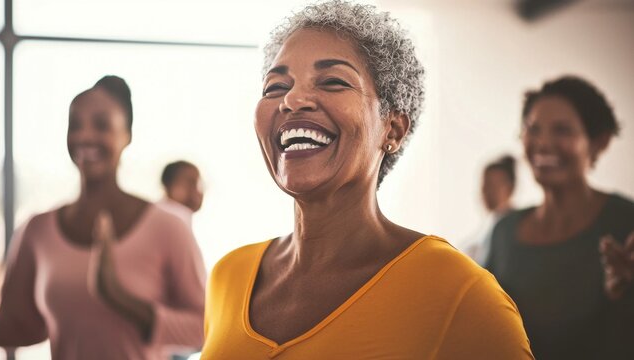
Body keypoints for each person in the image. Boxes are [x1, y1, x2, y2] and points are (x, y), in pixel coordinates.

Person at [200, 1, 533, 358]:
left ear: (393, 129)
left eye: (332, 81)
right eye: (275, 87)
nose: (292, 99)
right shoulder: (229, 276)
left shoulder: (458, 291)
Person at [0, 76, 206, 359]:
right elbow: (21, 325)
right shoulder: (37, 230)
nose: (85, 136)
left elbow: (206, 327)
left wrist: (117, 296)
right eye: (75, 125)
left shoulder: (168, 228)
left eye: (101, 124)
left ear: (127, 134)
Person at [486, 76, 634, 359]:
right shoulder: (503, 231)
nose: (542, 144)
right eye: (533, 129)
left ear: (597, 143)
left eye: (562, 130)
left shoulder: (626, 221)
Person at [465, 155, 516, 265]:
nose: (488, 192)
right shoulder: (488, 227)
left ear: (510, 188)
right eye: (485, 186)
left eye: (494, 186)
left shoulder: (516, 228)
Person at [157, 160, 205, 228]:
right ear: (169, 186)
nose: (197, 191)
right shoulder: (173, 218)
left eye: (198, 184)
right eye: (190, 183)